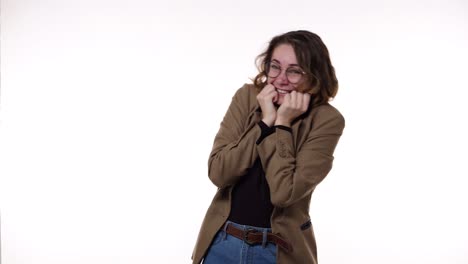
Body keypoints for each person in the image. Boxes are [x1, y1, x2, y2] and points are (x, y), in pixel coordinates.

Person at [191, 30, 345, 264]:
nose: (281, 79)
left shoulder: (326, 120)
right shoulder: (247, 97)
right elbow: (219, 173)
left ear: (314, 75)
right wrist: (265, 123)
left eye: (294, 71)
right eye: (275, 67)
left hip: (278, 251)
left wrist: (282, 124)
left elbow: (285, 193)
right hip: (223, 243)